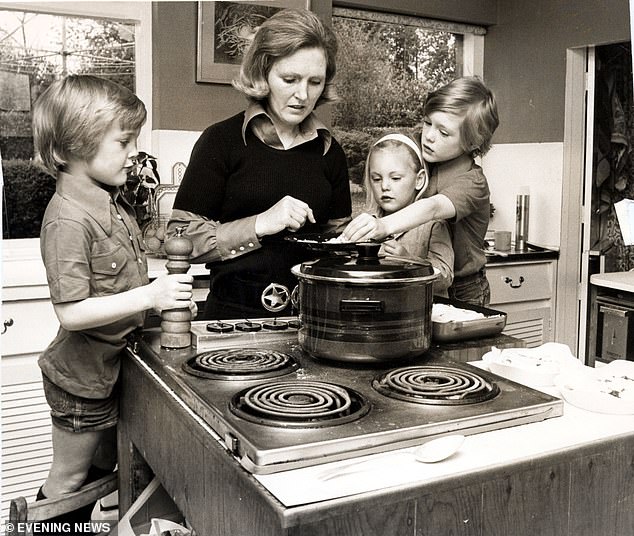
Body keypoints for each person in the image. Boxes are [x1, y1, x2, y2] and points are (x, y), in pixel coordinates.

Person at [32, 74, 196, 528]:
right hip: (80, 383)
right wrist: (151, 294)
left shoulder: (114, 204)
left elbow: (121, 289)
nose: (133, 153)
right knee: (68, 484)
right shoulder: (67, 219)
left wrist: (161, 305)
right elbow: (71, 312)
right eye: (123, 142)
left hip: (110, 373)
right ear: (74, 148)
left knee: (103, 474)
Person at [167, 8, 351, 320]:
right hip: (230, 319)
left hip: (313, 320)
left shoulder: (330, 152)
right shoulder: (221, 141)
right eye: (289, 79)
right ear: (262, 73)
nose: (303, 95)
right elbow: (180, 237)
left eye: (315, 81)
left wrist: (367, 241)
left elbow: (340, 244)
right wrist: (260, 224)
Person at [342, 76, 499, 306]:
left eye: (444, 133)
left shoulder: (473, 182)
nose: (429, 136)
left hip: (464, 289)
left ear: (474, 142)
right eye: (427, 123)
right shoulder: (427, 159)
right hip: (422, 281)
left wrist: (383, 226)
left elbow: (433, 208)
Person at [364, 132, 453, 296]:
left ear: (419, 180)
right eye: (376, 179)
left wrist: (409, 261)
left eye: (395, 178)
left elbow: (445, 276)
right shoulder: (366, 225)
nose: (384, 186)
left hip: (420, 314)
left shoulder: (433, 224)